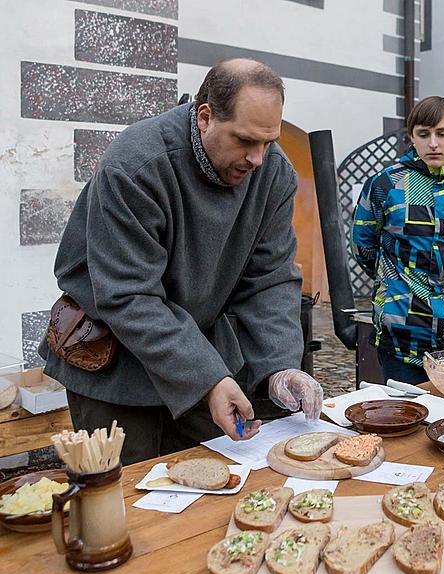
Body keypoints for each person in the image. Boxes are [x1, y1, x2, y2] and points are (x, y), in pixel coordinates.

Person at [40, 59, 323, 465]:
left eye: (268, 141)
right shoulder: (137, 165)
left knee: (213, 493)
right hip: (115, 362)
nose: (257, 158)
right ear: (205, 116)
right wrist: (209, 378)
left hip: (198, 352)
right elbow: (128, 295)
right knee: (129, 505)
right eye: (245, 140)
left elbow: (271, 280)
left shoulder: (273, 174)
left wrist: (279, 366)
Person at [351, 96, 444, 384]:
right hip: (403, 334)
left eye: (442, 134)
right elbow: (363, 247)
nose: (433, 143)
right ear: (412, 137)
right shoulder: (386, 185)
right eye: (423, 134)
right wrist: (395, 285)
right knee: (406, 421)